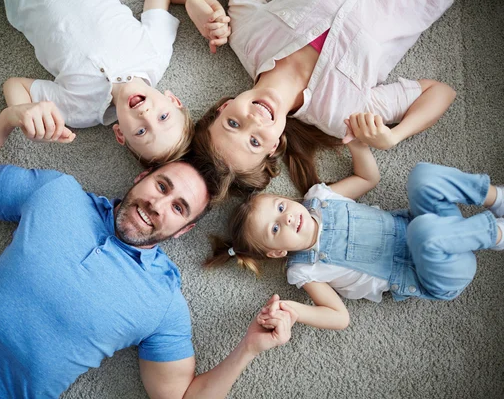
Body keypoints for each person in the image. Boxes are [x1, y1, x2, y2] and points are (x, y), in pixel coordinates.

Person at [0, 102, 298, 399]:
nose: (158, 206)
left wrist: (248, 348)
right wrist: (9, 119)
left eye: (178, 208)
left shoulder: (163, 301)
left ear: (184, 230)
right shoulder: (57, 193)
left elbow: (180, 396)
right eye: (162, 187)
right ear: (142, 177)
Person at [204, 137, 504, 330]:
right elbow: (339, 317)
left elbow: (367, 177)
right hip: (439, 273)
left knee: (422, 176)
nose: (287, 219)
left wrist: (357, 144)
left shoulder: (321, 197)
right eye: (274, 229)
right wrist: (294, 310)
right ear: (277, 252)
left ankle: (496, 199)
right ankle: (497, 233)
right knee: (423, 232)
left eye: (281, 208)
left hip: (430, 225)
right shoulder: (304, 270)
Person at [191, 0, 457, 198]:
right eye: (254, 141)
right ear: (274, 147)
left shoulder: (245, 34)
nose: (253, 120)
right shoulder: (341, 115)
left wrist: (202, 13)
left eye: (233, 124)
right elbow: (441, 92)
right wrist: (395, 136)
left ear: (224, 107)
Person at [2, 0, 230, 166]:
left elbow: (14, 85)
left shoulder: (80, 110)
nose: (146, 115)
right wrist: (195, 4)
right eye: (163, 117)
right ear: (172, 100)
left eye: (141, 131)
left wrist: (25, 114)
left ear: (120, 133)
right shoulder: (156, 54)